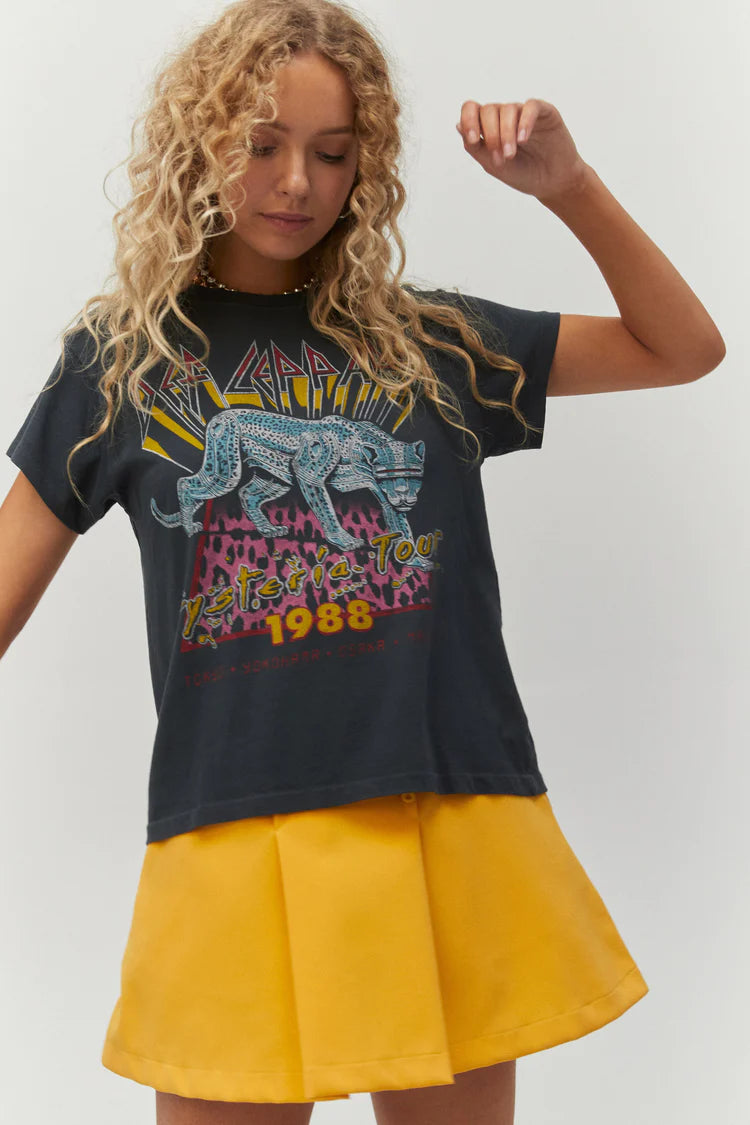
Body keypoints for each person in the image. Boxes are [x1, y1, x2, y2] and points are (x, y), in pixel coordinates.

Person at [0, 1, 725, 1123]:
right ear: (198, 144)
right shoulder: (123, 364)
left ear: (365, 166)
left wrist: (569, 187)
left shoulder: (433, 343)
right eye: (261, 144)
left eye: (333, 154)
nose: (297, 182)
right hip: (233, 821)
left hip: (445, 811)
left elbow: (683, 348)